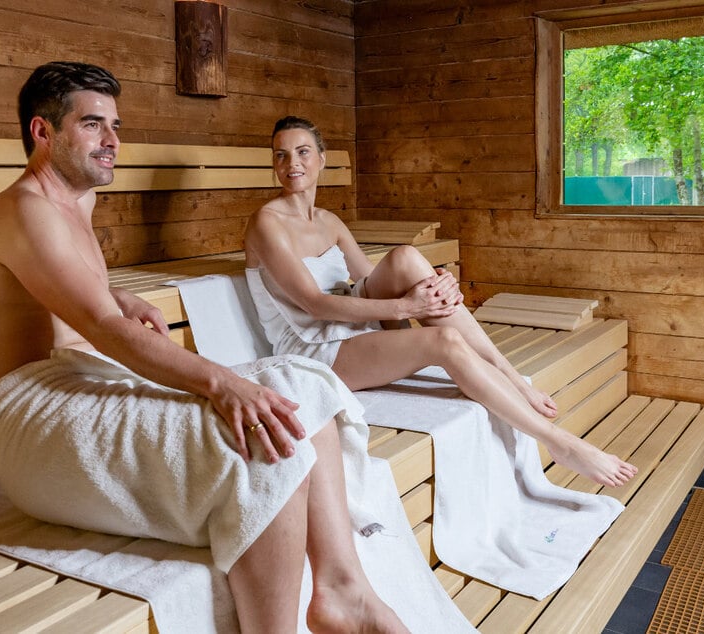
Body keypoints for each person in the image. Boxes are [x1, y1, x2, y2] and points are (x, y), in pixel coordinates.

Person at [0, 63, 409, 633]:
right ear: (43, 132)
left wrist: (118, 295)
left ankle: (344, 593)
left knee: (298, 386)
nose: (113, 141)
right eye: (93, 125)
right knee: (255, 437)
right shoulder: (28, 210)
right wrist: (220, 380)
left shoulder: (72, 201)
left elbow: (73, 294)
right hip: (28, 415)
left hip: (77, 377)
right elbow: (104, 330)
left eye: (116, 125)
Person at [243, 115, 638, 489]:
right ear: (274, 165)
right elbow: (314, 304)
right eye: (281, 155)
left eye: (302, 151)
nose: (292, 162)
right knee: (444, 343)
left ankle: (509, 375)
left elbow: (370, 280)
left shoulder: (329, 220)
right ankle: (558, 442)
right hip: (314, 349)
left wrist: (435, 286)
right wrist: (408, 308)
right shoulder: (267, 223)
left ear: (321, 159)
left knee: (405, 257)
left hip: (350, 324)